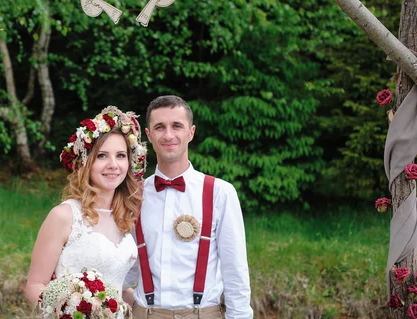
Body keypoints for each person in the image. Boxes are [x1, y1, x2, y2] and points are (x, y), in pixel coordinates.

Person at [126, 95, 253, 319]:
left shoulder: (220, 193)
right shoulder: (134, 195)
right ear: (148, 136)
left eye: (177, 126)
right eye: (159, 127)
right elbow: (124, 265)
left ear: (191, 132)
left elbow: (235, 272)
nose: (168, 135)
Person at [25, 106, 147, 310]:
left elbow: (118, 289)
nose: (113, 165)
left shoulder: (126, 219)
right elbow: (35, 286)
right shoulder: (64, 216)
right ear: (86, 162)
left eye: (120, 155)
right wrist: (68, 312)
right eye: (102, 156)